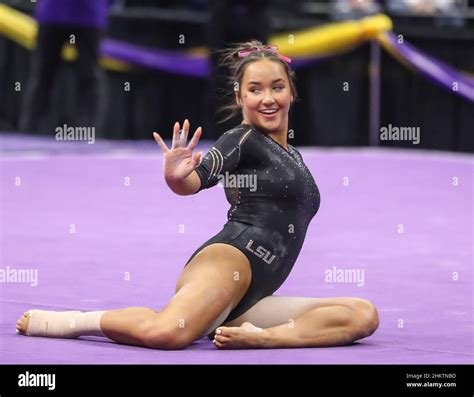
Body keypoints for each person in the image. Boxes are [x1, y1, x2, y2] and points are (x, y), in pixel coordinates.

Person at [16, 41, 379, 350]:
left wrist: (264, 333)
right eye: (255, 90)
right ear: (240, 96)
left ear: (291, 92)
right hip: (228, 262)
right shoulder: (242, 139)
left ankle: (263, 338)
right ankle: (70, 322)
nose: (267, 99)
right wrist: (179, 178)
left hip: (250, 300)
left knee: (362, 315)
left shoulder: (294, 155)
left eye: (277, 87)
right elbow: (199, 178)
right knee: (168, 333)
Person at [19, 0, 112, 134]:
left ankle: (88, 131)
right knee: (43, 73)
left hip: (87, 13)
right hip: (56, 12)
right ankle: (31, 128)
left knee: (88, 74)